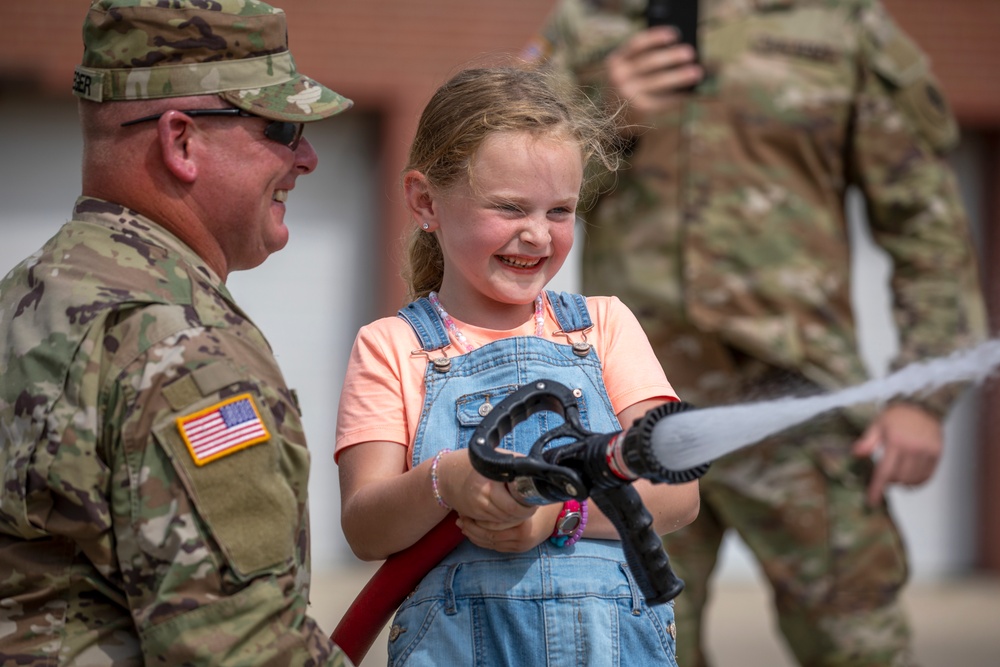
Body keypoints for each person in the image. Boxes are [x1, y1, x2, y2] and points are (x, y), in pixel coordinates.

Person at [522, 1, 987, 666]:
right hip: (631, 413)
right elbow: (514, 197)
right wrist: (605, 110)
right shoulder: (590, 24)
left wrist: (924, 394)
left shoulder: (840, 24)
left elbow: (927, 226)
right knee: (630, 648)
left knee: (858, 649)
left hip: (796, 408)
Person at [0, 1, 355, 664]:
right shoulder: (184, 353)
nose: (306, 156)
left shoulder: (22, 299)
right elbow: (243, 649)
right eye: (281, 124)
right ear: (182, 141)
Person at [334, 64, 701, 665]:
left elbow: (676, 491)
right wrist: (446, 480)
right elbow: (366, 529)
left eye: (560, 211)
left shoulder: (604, 327)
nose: (536, 234)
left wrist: (560, 515)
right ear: (426, 200)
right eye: (508, 208)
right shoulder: (392, 346)